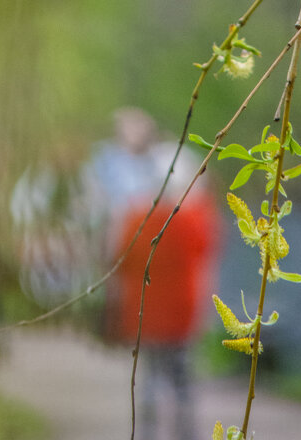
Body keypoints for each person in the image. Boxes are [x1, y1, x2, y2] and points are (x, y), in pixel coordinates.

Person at [93, 108, 220, 440]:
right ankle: (186, 432)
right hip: (183, 312)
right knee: (182, 377)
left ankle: (148, 432)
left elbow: (116, 259)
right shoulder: (194, 221)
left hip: (145, 312)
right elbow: (209, 251)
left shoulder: (136, 220)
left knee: (149, 376)